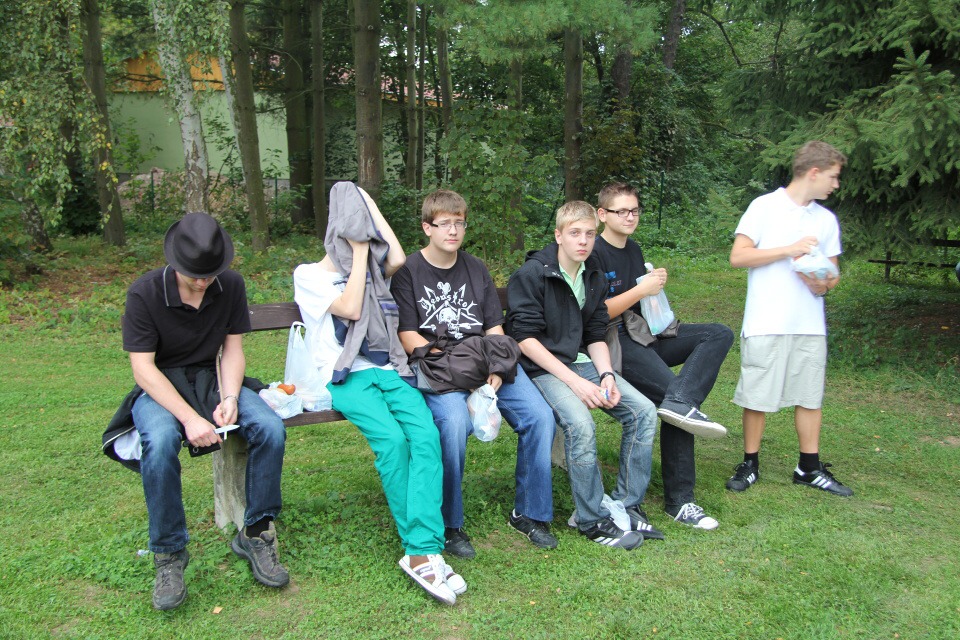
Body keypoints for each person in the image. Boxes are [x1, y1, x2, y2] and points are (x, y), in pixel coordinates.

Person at [104, 212, 289, 611]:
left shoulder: (231, 285)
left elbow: (232, 350)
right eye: (195, 275)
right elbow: (143, 368)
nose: (203, 282)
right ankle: (169, 554)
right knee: (159, 441)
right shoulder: (144, 293)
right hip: (161, 384)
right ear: (175, 261)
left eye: (210, 274)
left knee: (270, 427)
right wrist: (189, 418)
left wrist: (231, 397)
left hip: (212, 379)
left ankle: (255, 532)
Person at [293, 182, 465, 605]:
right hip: (344, 376)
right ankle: (422, 549)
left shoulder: (374, 267)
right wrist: (358, 253)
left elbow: (399, 257)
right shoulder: (309, 275)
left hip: (388, 369)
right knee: (392, 443)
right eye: (354, 234)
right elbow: (351, 308)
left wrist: (362, 199)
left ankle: (422, 549)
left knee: (425, 438)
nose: (365, 243)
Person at [389, 189, 558, 558]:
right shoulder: (408, 273)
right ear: (427, 228)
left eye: (459, 223)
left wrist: (496, 369)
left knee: (540, 416)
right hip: (440, 368)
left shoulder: (476, 267)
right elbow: (408, 335)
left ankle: (529, 513)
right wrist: (458, 368)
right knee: (453, 424)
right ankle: (449, 524)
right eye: (444, 223)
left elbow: (495, 329)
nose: (453, 230)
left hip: (485, 362)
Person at [506, 200, 659, 550]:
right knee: (581, 424)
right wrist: (575, 382)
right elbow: (525, 339)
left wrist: (606, 375)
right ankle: (591, 519)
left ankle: (625, 504)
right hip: (542, 367)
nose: (583, 241)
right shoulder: (533, 274)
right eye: (575, 233)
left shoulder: (592, 274)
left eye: (590, 234)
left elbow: (595, 332)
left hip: (583, 362)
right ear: (558, 235)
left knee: (643, 411)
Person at [593, 182, 734, 530]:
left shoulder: (633, 248)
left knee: (718, 333)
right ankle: (680, 501)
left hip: (644, 333)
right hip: (614, 342)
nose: (630, 217)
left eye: (634, 210)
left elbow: (640, 303)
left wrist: (653, 287)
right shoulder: (594, 252)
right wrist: (640, 289)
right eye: (621, 211)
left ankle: (681, 400)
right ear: (602, 214)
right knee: (674, 399)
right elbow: (597, 315)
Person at [726, 141, 853, 497]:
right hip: (766, 320)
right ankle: (749, 464)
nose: (836, 184)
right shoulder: (764, 207)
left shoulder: (825, 220)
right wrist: (789, 250)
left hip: (809, 324)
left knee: (809, 396)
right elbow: (738, 256)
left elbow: (833, 275)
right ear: (813, 172)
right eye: (833, 176)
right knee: (757, 395)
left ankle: (808, 468)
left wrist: (822, 283)